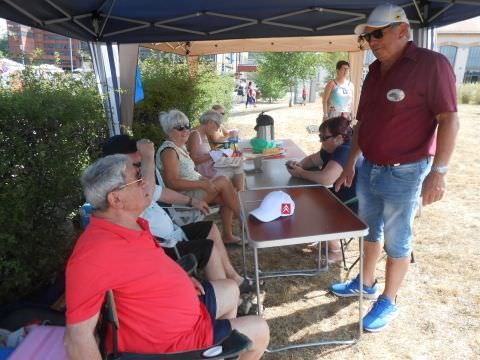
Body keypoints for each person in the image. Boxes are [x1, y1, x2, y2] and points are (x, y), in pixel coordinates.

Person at [331, 3, 459, 332]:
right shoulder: (374, 71)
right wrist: (350, 163)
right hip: (370, 167)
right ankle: (366, 282)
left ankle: (389, 299)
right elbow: (362, 123)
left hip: (406, 171)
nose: (371, 41)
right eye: (368, 37)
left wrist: (439, 172)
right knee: (368, 230)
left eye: (378, 34)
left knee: (397, 240)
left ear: (402, 31)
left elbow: (449, 119)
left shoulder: (432, 65)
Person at [64, 154, 269, 359]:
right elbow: (77, 337)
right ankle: (208, 348)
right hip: (173, 343)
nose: (146, 183)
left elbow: (146, 268)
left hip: (180, 314)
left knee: (231, 288)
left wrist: (181, 278)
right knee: (259, 329)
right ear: (116, 199)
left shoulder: (129, 225)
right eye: (138, 178)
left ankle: (218, 350)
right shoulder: (93, 255)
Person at [102, 135, 252, 293]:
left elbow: (161, 192)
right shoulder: (118, 188)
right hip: (161, 245)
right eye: (135, 165)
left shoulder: (133, 178)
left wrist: (191, 201)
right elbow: (147, 195)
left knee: (210, 228)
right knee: (208, 247)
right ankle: (227, 295)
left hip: (173, 232)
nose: (138, 169)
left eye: (139, 165)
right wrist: (148, 158)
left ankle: (234, 278)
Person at [156, 109, 242, 245]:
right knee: (224, 181)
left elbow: (191, 172)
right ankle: (245, 220)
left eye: (187, 126)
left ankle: (228, 235)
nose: (185, 131)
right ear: (168, 130)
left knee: (228, 195)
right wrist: (202, 184)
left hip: (194, 190)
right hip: (183, 197)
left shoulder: (180, 147)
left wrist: (204, 180)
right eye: (179, 128)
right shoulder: (169, 151)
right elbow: (171, 183)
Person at [286, 116, 359, 262]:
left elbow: (327, 178)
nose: (320, 140)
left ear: (338, 138)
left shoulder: (345, 150)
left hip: (353, 204)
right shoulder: (331, 147)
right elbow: (313, 159)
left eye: (323, 137)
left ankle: (336, 250)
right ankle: (323, 239)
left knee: (310, 204)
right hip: (339, 196)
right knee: (308, 197)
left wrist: (301, 173)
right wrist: (299, 165)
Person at [187, 110, 244, 191]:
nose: (217, 129)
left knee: (238, 157)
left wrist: (218, 152)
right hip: (205, 171)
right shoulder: (195, 134)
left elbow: (208, 151)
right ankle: (239, 193)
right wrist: (214, 154)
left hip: (210, 166)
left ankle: (238, 193)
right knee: (237, 165)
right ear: (210, 122)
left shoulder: (203, 133)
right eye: (217, 125)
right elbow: (193, 160)